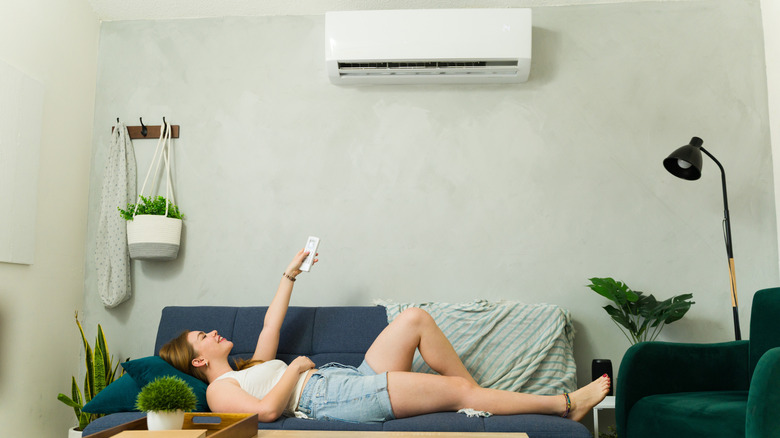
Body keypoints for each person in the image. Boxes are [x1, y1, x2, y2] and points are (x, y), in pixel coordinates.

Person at [160, 248, 610, 424]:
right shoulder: (221, 391)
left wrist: (290, 274)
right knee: (455, 391)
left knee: (414, 319)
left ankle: (480, 395)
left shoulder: (248, 366)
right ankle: (564, 405)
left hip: (343, 379)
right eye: (204, 335)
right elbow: (265, 412)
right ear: (197, 360)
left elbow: (270, 326)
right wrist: (296, 366)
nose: (215, 331)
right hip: (330, 398)